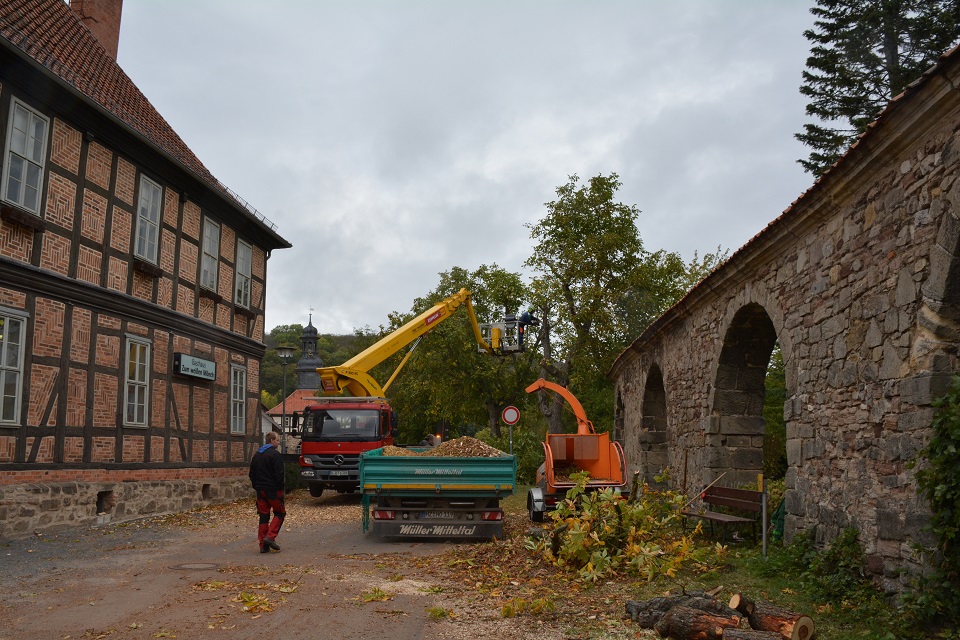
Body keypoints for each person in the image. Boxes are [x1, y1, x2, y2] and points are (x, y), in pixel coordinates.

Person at [249, 431, 285, 553]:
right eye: (277, 440)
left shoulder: (257, 455)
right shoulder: (275, 455)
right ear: (272, 441)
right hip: (273, 490)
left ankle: (263, 545)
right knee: (280, 513)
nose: (278, 442)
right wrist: (280, 488)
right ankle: (270, 537)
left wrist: (257, 486)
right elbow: (279, 474)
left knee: (263, 516)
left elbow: (251, 474)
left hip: (260, 491)